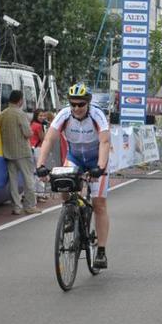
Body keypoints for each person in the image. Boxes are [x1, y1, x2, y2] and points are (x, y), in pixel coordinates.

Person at [35, 83, 111, 269]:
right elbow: (49, 139)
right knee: (62, 180)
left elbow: (104, 142)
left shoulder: (97, 115)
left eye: (81, 104)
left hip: (96, 159)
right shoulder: (64, 115)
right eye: (73, 104)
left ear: (88, 103)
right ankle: (70, 210)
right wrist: (40, 165)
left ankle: (101, 251)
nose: (76, 108)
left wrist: (100, 168)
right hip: (75, 157)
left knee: (99, 204)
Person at [0, 90, 39, 215]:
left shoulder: (2, 114)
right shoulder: (20, 114)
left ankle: (17, 207)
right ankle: (30, 206)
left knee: (13, 181)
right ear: (20, 100)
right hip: (22, 151)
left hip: (8, 152)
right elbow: (27, 133)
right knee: (28, 179)